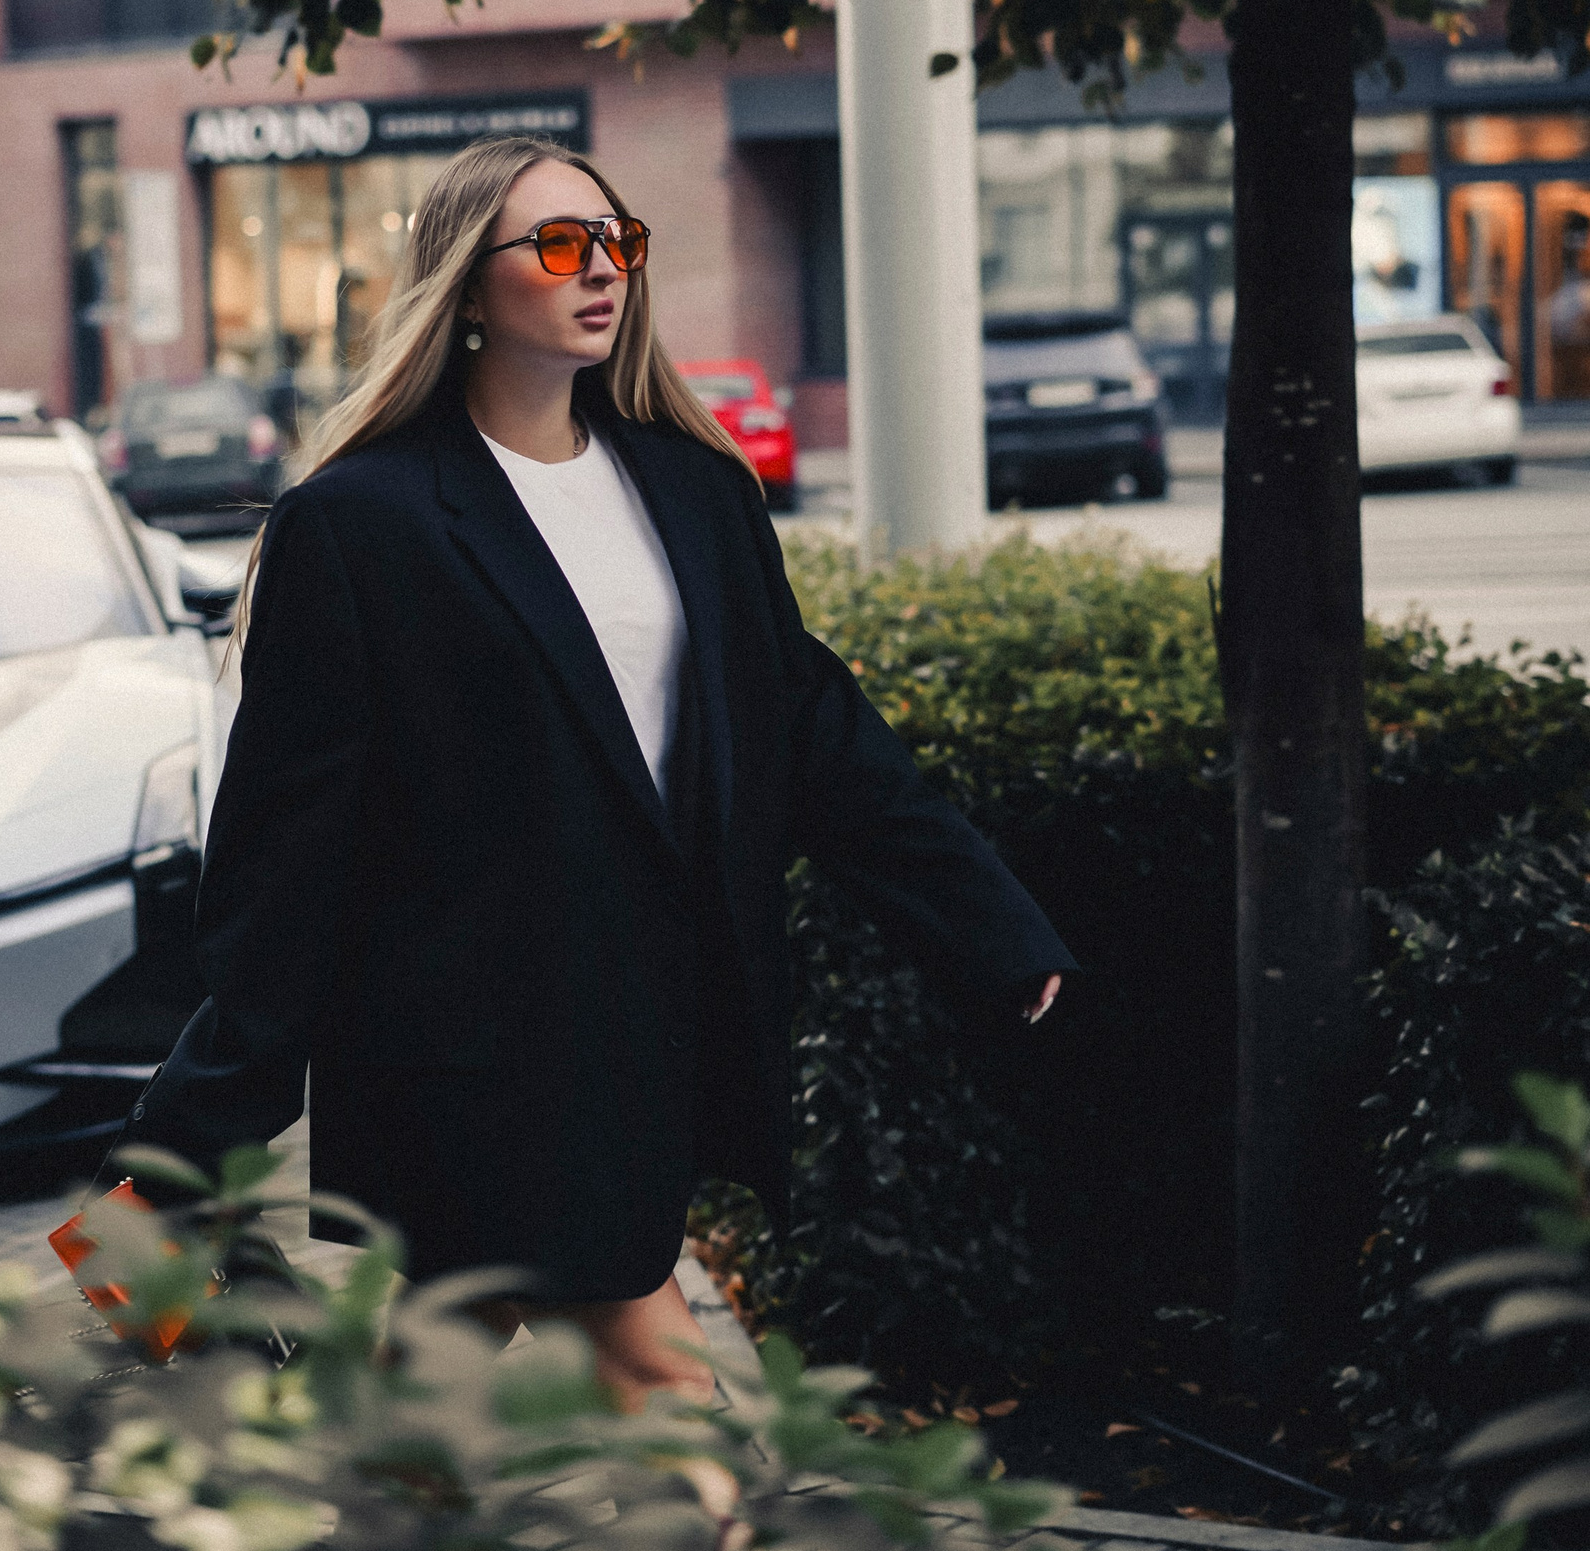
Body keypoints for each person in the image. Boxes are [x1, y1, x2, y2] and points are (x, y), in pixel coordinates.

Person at [125, 134, 1073, 1405]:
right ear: (467, 283)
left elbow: (809, 728)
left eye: (617, 240)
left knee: (447, 1360)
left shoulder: (692, 488)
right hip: (476, 1044)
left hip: (647, 1022)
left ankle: (364, 1517)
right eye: (561, 245)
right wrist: (195, 1130)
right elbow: (288, 847)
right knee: (652, 1362)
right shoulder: (360, 524)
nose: (603, 269)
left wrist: (986, 925)